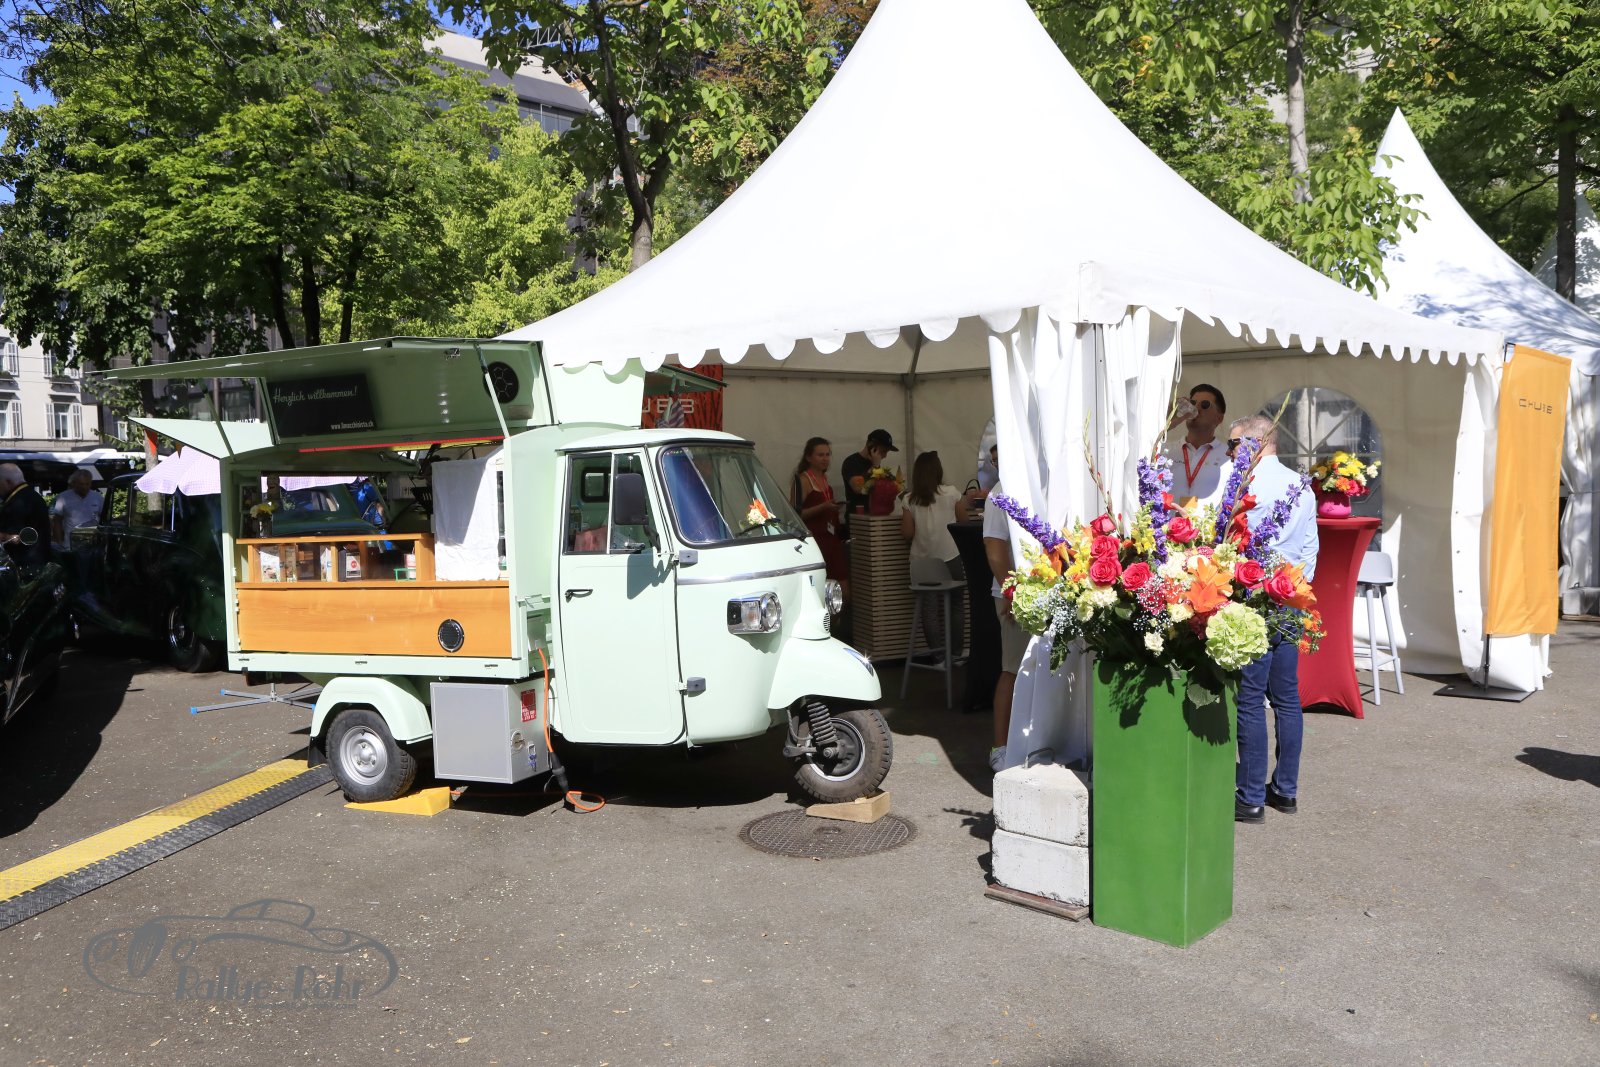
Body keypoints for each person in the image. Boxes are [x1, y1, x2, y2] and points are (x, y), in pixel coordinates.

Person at [1225, 414, 1320, 824]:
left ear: (1256, 443)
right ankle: (1285, 790)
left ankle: (1249, 797)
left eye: (1233, 444)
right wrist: (1295, 587)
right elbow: (1311, 548)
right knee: (1286, 698)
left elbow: (1232, 543)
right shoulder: (1301, 485)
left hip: (1257, 596)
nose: (1229, 452)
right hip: (1291, 594)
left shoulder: (1246, 483)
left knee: (1249, 699)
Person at [900, 451, 977, 664]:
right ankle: (957, 653)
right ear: (938, 471)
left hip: (922, 561)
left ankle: (938, 656)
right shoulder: (952, 493)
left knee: (929, 608)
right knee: (957, 603)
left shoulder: (908, 499)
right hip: (951, 555)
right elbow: (963, 522)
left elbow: (907, 533)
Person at [982, 450, 1026, 771]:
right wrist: (1011, 590)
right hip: (1014, 593)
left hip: (1039, 590)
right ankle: (1000, 747)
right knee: (1012, 668)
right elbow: (994, 548)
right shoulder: (1000, 492)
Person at [791, 437, 849, 599]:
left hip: (831, 539)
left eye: (827, 455)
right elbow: (795, 514)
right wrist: (823, 507)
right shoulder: (803, 480)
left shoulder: (824, 479)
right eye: (820, 455)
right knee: (823, 590)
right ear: (809, 457)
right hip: (815, 541)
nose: (825, 459)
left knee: (843, 591)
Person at [1164, 384, 1230, 511]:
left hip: (1208, 524)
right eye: (1193, 403)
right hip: (1166, 523)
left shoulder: (1228, 456)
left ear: (1219, 418)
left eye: (1205, 404)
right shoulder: (1166, 451)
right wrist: (1167, 423)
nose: (1196, 408)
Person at [0, 463, 52, 566]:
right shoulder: (31, 496)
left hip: (24, 565)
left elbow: (15, 538)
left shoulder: (18, 502)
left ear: (8, 482)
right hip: (37, 560)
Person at [840, 428, 898, 520]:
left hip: (874, 517)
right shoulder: (851, 462)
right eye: (883, 451)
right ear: (871, 446)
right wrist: (875, 467)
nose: (884, 456)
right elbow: (859, 488)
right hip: (857, 519)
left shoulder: (875, 465)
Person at [51, 468, 103, 549]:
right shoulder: (63, 497)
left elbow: (103, 519)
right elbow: (57, 521)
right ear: (74, 483)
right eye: (81, 484)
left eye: (87, 484)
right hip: (70, 545)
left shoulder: (98, 497)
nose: (84, 487)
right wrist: (59, 542)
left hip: (93, 545)